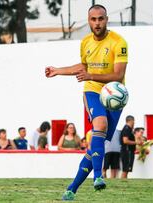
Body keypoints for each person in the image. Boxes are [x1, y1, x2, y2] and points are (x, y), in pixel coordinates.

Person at [45, 4, 128, 200]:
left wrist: (90, 73)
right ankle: (98, 177)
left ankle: (71, 189)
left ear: (107, 19)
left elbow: (119, 74)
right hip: (92, 91)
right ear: (89, 21)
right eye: (93, 19)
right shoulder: (85, 42)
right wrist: (59, 70)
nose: (97, 23)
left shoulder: (119, 42)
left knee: (94, 149)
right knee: (100, 124)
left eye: (101, 19)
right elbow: (83, 66)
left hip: (114, 96)